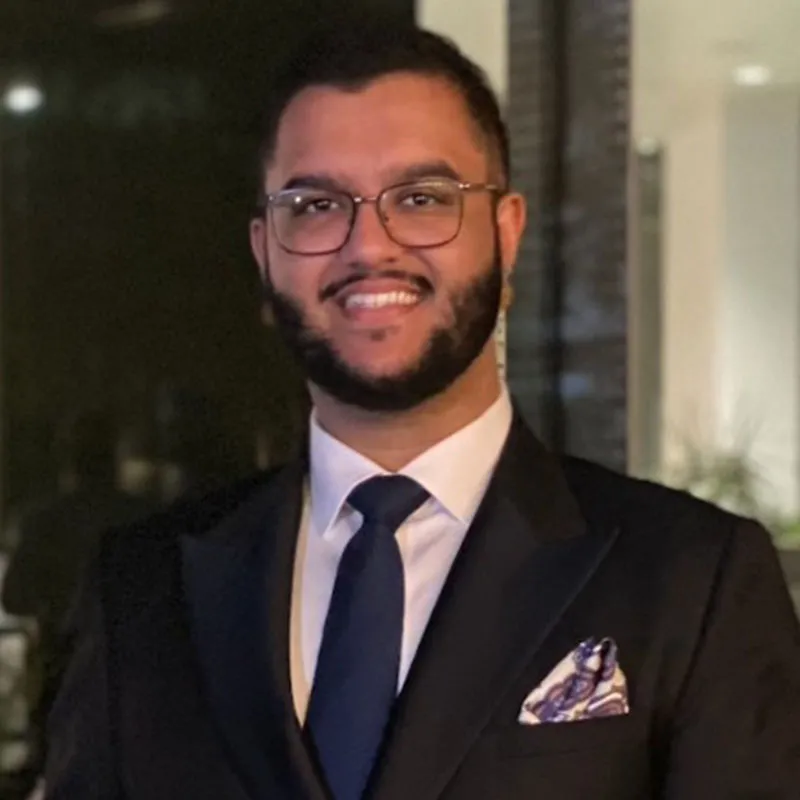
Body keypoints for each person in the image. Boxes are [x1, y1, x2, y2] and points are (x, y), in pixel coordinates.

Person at [45, 20, 800, 800]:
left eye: (422, 198)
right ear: (265, 249)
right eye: (315, 204)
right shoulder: (141, 588)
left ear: (506, 236)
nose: (369, 246)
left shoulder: (692, 580)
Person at [2, 410, 154, 787]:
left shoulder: (43, 524)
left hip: (64, 670)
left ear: (68, 459)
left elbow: (14, 598)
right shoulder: (143, 518)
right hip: (132, 672)